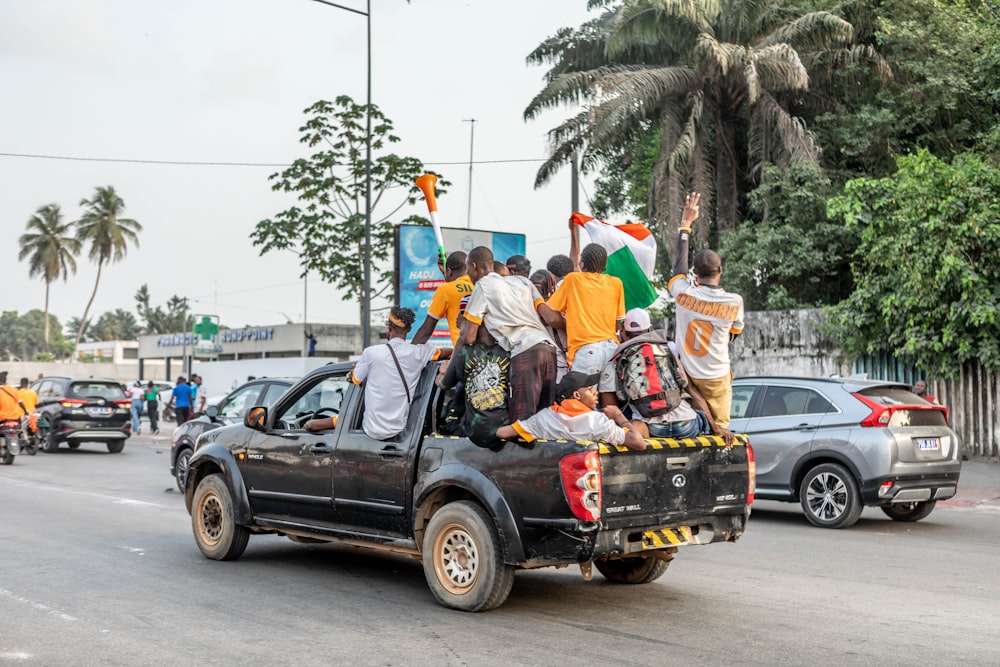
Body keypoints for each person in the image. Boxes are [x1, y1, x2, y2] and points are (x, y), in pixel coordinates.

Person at [307, 306, 451, 439]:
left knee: (313, 424)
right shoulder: (420, 353)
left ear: (389, 328)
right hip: (400, 429)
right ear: (409, 330)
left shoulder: (371, 353)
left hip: (371, 430)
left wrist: (351, 374)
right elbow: (448, 353)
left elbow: (356, 380)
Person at [599, 309, 733, 445]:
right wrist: (716, 427)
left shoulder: (616, 361)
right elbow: (691, 391)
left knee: (623, 415)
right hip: (686, 425)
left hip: (651, 428)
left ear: (624, 333)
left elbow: (609, 408)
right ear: (650, 329)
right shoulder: (669, 349)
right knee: (698, 416)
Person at [668, 192, 744, 428]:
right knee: (720, 430)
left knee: (691, 428)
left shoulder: (683, 294)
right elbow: (733, 334)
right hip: (717, 376)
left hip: (688, 375)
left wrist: (685, 225)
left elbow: (677, 271)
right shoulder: (734, 302)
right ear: (720, 270)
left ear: (695, 274)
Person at [461, 246, 560, 421]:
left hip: (525, 352)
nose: (467, 274)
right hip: (548, 350)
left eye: (467, 269)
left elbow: (469, 337)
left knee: (523, 422)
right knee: (545, 418)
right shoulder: (523, 282)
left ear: (474, 266)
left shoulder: (483, 286)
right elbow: (547, 314)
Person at [496, 370, 646, 451]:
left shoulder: (544, 418)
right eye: (589, 389)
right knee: (641, 427)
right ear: (576, 395)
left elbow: (502, 433)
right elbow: (639, 443)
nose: (596, 393)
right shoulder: (597, 421)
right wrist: (619, 416)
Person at [546, 243, 626, 374]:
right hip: (611, 349)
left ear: (582, 265)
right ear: (604, 266)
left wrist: (537, 300)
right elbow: (618, 323)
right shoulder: (616, 283)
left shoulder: (573, 279)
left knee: (582, 393)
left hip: (586, 351)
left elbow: (551, 313)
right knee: (608, 393)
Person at [437, 324, 510, 447]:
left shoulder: (465, 353)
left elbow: (445, 384)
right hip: (504, 430)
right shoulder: (507, 353)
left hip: (473, 433)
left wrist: (440, 375)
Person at [412, 251, 474, 346]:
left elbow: (426, 329)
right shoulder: (479, 286)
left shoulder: (445, 290)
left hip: (463, 352)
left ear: (449, 271)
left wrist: (409, 352)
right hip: (486, 353)